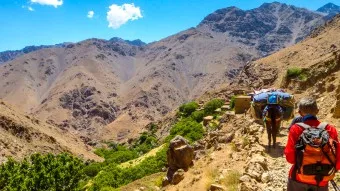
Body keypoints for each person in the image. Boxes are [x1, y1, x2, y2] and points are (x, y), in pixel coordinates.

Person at [284, 97, 340, 191]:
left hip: (299, 178)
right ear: (317, 111)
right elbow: (338, 159)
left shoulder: (295, 129)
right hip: (322, 180)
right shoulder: (330, 129)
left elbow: (290, 158)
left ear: (300, 113)